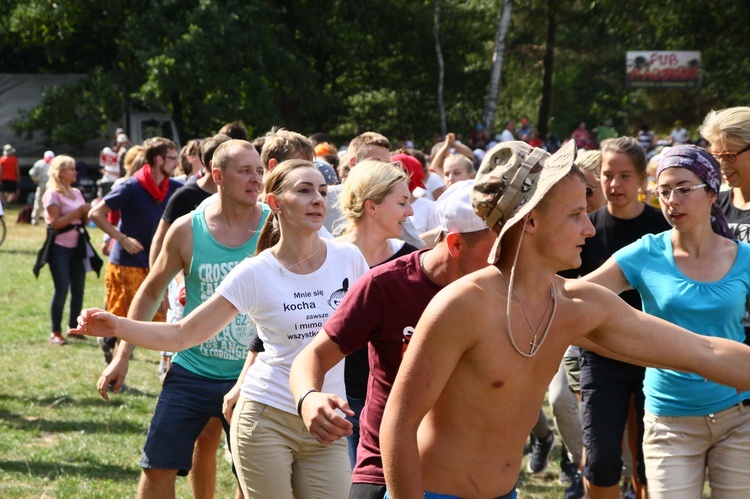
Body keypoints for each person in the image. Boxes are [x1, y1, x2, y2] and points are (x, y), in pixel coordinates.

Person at [377, 140, 750, 499]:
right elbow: (398, 424)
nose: (589, 228)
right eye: (575, 215)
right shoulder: (462, 306)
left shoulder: (576, 305)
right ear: (531, 222)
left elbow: (701, 350)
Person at [76, 160, 370, 498]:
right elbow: (183, 333)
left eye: (321, 191)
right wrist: (117, 326)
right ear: (274, 203)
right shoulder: (255, 272)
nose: (318, 199)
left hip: (328, 422)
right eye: (304, 190)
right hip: (266, 419)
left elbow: (374, 331)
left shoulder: (348, 258)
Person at [289, 179, 495, 499]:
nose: (505, 260)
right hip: (387, 468)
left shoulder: (505, 290)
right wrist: (308, 398)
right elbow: (313, 355)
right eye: (496, 249)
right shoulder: (387, 284)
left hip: (473, 474)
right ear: (455, 244)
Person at [95, 140, 266, 499]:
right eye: (245, 171)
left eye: (259, 170)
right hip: (191, 369)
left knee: (252, 477)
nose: (256, 179)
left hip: (254, 374)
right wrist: (122, 357)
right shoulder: (188, 230)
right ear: (217, 176)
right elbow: (151, 290)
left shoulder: (274, 228)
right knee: (157, 468)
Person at [585, 145, 750, 498]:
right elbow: (575, 300)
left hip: (740, 417)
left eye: (684, 189)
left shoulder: (744, 257)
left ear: (711, 192)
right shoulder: (645, 252)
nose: (672, 200)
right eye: (664, 191)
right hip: (669, 419)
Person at [562, 137, 670, 499]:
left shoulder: (663, 229)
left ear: (642, 179)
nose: (615, 184)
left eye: (625, 175)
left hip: (655, 355)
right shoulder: (586, 228)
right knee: (601, 457)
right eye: (608, 175)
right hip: (600, 354)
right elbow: (567, 291)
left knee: (650, 458)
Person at [330, 160, 418, 467]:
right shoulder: (323, 256)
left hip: (391, 405)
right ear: (372, 207)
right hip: (334, 403)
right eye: (402, 202)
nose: (410, 212)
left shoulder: (410, 260)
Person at [88, 137, 182, 363]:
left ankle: (111, 344)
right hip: (126, 264)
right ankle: (115, 372)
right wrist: (121, 238)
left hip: (157, 265)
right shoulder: (131, 186)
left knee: (154, 320)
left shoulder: (176, 188)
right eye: (172, 158)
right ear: (159, 159)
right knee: (123, 322)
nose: (176, 163)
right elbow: (95, 214)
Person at [699, 106, 750, 345]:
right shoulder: (714, 204)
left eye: (729, 155)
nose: (721, 164)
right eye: (715, 155)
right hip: (721, 336)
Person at [39, 155, 93, 345]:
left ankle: (74, 327)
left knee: (78, 289)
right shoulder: (52, 194)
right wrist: (78, 212)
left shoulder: (76, 192)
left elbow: (82, 221)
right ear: (60, 172)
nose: (75, 172)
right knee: (62, 289)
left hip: (77, 247)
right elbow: (55, 223)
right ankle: (55, 331)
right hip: (59, 248)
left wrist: (86, 214)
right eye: (71, 169)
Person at [30, 150, 55, 225]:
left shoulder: (39, 163)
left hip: (41, 184)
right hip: (51, 185)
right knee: (50, 203)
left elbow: (31, 173)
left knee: (38, 202)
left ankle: (35, 220)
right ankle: (49, 220)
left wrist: (36, 180)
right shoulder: (54, 164)